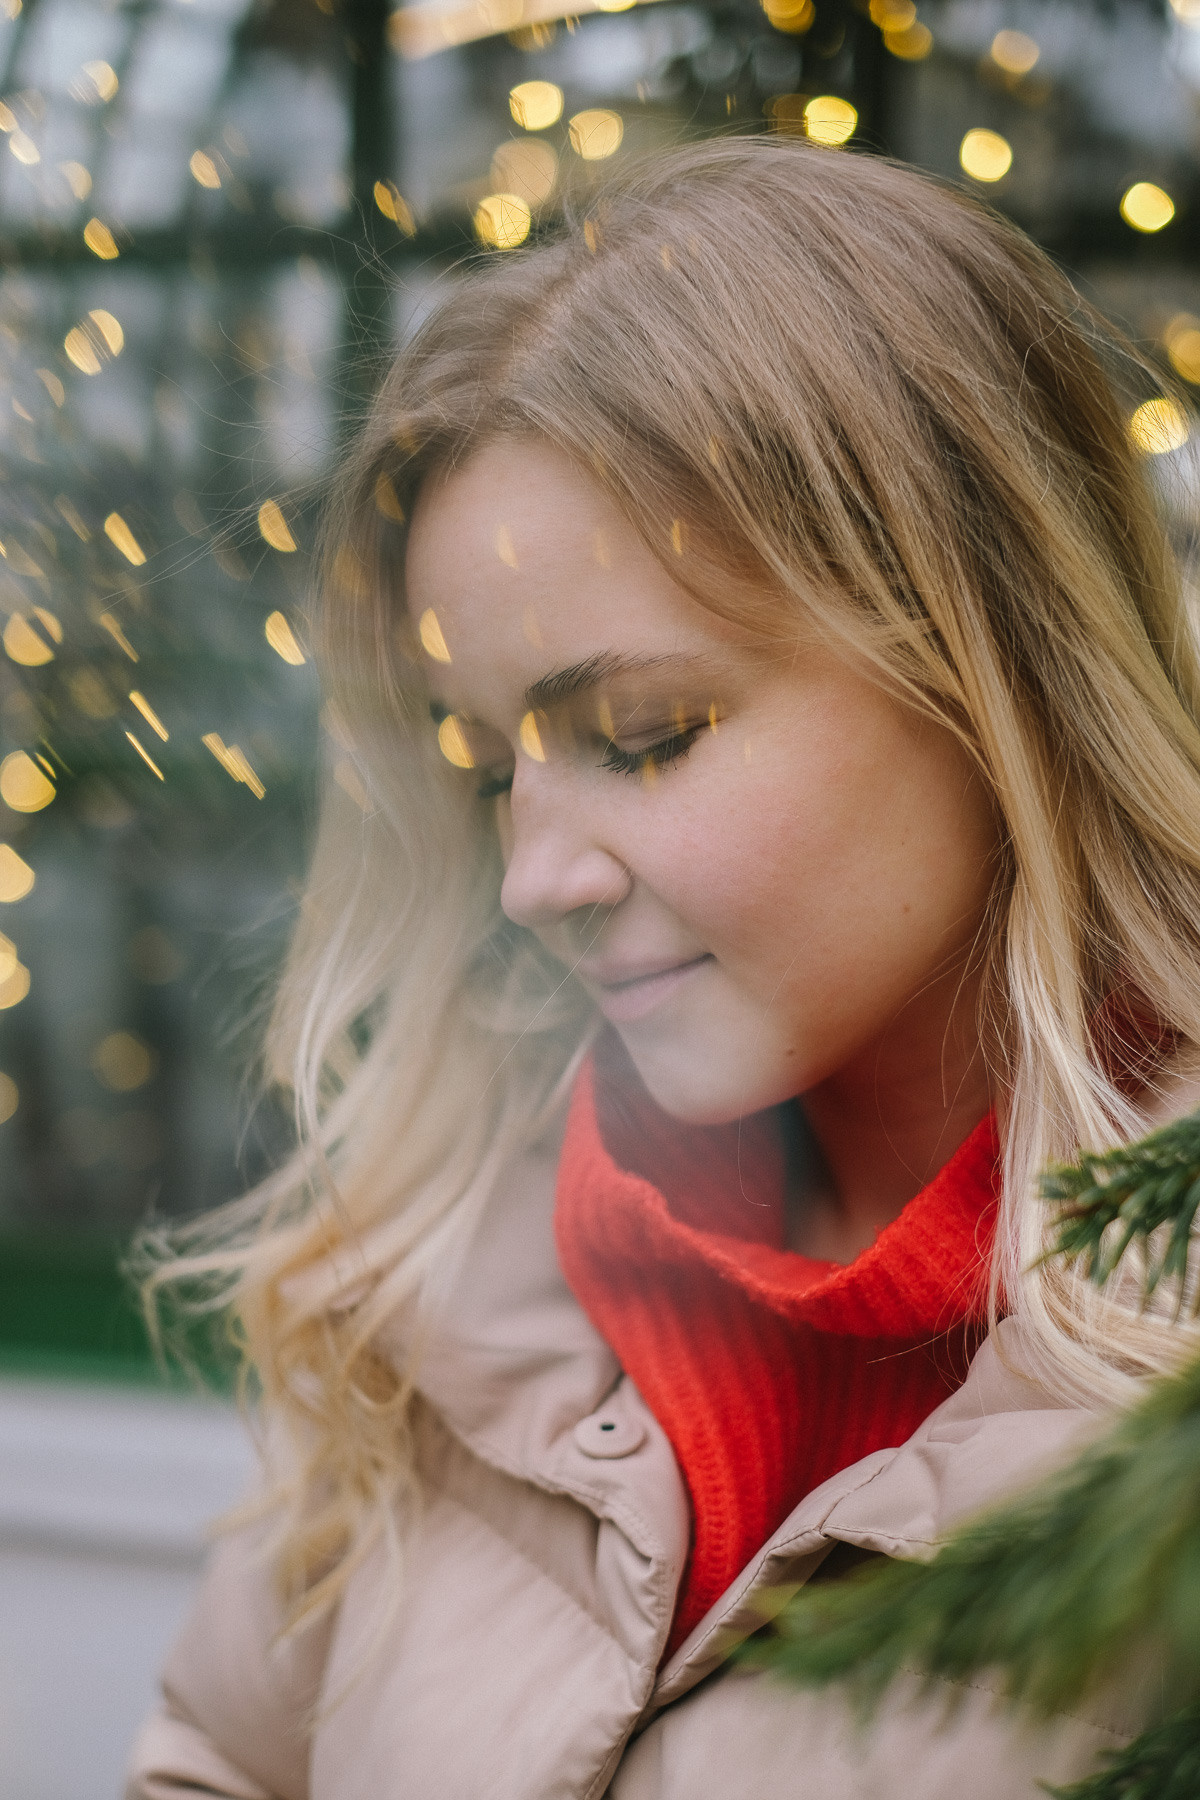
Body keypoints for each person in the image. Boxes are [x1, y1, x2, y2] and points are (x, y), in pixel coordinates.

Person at [126, 136, 1200, 1800]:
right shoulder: (441, 1267)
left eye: (643, 733)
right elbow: (219, 1761)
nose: (531, 878)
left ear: (989, 662)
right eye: (487, 769)